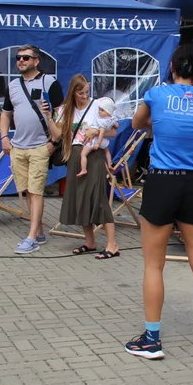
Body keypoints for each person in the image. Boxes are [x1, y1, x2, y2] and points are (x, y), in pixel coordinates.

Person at [124, 43, 193, 360]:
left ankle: (152, 339)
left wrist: (160, 123)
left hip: (163, 180)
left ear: (173, 67)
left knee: (154, 264)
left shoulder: (156, 95)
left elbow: (137, 123)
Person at [0, 45, 65, 254]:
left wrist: (53, 143)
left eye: (26, 58)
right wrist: (4, 137)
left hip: (40, 146)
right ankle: (39, 231)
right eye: (18, 58)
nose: (21, 61)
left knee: (36, 192)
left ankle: (31, 238)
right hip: (18, 146)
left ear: (36, 61)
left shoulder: (49, 82)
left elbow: (62, 115)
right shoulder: (13, 85)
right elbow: (5, 113)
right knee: (28, 190)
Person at [56, 74, 120, 259]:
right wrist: (47, 117)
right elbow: (58, 135)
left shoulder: (97, 105)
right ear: (73, 92)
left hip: (94, 155)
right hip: (75, 155)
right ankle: (89, 241)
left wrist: (97, 131)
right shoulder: (66, 109)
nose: (85, 96)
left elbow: (114, 131)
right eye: (81, 92)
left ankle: (112, 244)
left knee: (98, 198)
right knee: (80, 198)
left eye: (86, 92)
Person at [76, 97, 117, 178]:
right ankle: (109, 164)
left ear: (108, 111)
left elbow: (101, 133)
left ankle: (83, 169)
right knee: (107, 152)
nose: (99, 112)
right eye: (99, 110)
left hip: (96, 140)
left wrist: (97, 143)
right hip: (104, 141)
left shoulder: (102, 121)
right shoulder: (111, 119)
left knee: (83, 154)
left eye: (102, 110)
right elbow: (116, 125)